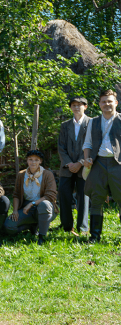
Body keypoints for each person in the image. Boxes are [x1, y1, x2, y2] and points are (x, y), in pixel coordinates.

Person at [82, 88, 121, 244]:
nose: (107, 104)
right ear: (99, 104)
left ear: (116, 103)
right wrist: (86, 159)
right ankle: (94, 236)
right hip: (98, 163)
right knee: (96, 199)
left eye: (110, 101)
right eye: (104, 101)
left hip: (117, 163)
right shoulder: (93, 121)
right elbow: (87, 143)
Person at [4, 150, 57, 245]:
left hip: (44, 208)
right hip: (26, 209)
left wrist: (32, 204)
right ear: (27, 161)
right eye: (30, 159)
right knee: (8, 227)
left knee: (44, 205)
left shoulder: (47, 174)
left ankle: (42, 237)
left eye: (36, 160)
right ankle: (31, 226)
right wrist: (15, 210)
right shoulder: (21, 175)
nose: (33, 162)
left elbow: (50, 196)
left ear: (40, 161)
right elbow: (16, 194)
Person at [57, 96, 91, 235]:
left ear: (85, 106)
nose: (77, 107)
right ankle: (66, 227)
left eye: (80, 105)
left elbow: (93, 146)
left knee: (83, 198)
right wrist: (69, 163)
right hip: (67, 168)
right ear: (70, 107)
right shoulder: (65, 125)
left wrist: (80, 163)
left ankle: (82, 228)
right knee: (64, 196)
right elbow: (61, 147)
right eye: (74, 105)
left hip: (84, 167)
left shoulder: (92, 123)